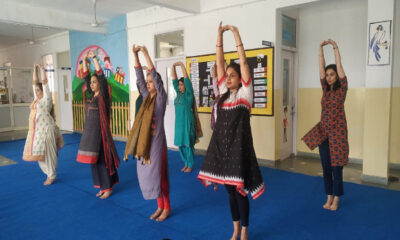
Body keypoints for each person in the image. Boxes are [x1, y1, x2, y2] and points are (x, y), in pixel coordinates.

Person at [198, 23, 265, 240]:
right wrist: (218, 36)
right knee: (228, 192)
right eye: (226, 75)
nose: (227, 77)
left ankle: (245, 230)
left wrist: (235, 34)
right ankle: (235, 228)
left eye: (232, 75)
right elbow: (219, 63)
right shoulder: (224, 93)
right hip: (221, 151)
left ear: (240, 78)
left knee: (239, 191)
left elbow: (243, 62)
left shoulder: (245, 93)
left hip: (239, 152)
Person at [124, 45, 171, 221]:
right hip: (146, 144)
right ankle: (159, 206)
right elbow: (139, 77)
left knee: (160, 177)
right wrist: (134, 55)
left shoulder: (160, 99)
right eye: (148, 82)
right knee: (150, 176)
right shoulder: (145, 98)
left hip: (158, 144)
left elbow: (156, 79)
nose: (149, 84)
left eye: (152, 81)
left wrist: (145, 53)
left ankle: (167, 207)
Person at [302, 39, 349, 211]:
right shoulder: (325, 90)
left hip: (338, 134)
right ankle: (328, 197)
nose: (329, 77)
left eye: (332, 74)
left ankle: (336, 200)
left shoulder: (342, 89)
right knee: (326, 168)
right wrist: (320, 49)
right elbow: (321, 69)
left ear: (337, 76)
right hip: (324, 134)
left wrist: (335, 47)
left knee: (337, 169)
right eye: (328, 75)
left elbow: (340, 65)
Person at [76, 50, 120, 199]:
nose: (92, 84)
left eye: (95, 82)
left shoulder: (103, 96)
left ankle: (108, 187)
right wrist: (83, 61)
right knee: (93, 161)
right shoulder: (90, 95)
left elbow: (101, 77)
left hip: (101, 135)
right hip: (90, 135)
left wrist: (94, 58)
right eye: (91, 83)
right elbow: (86, 77)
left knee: (102, 160)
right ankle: (101, 186)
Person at [23, 63, 64, 185]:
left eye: (38, 90)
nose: (36, 92)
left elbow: (44, 84)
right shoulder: (37, 100)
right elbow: (34, 83)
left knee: (50, 153)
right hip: (37, 132)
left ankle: (52, 175)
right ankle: (49, 173)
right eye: (35, 91)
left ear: (43, 91)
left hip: (47, 130)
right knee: (38, 155)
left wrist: (42, 69)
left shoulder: (47, 99)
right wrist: (34, 69)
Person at [171, 61, 196, 173]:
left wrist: (181, 65)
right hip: (178, 124)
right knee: (180, 144)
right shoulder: (178, 94)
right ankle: (185, 162)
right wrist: (172, 67)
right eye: (179, 85)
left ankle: (190, 164)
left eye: (182, 84)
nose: (180, 86)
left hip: (187, 123)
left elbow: (186, 79)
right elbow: (174, 80)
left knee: (188, 144)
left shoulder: (188, 94)